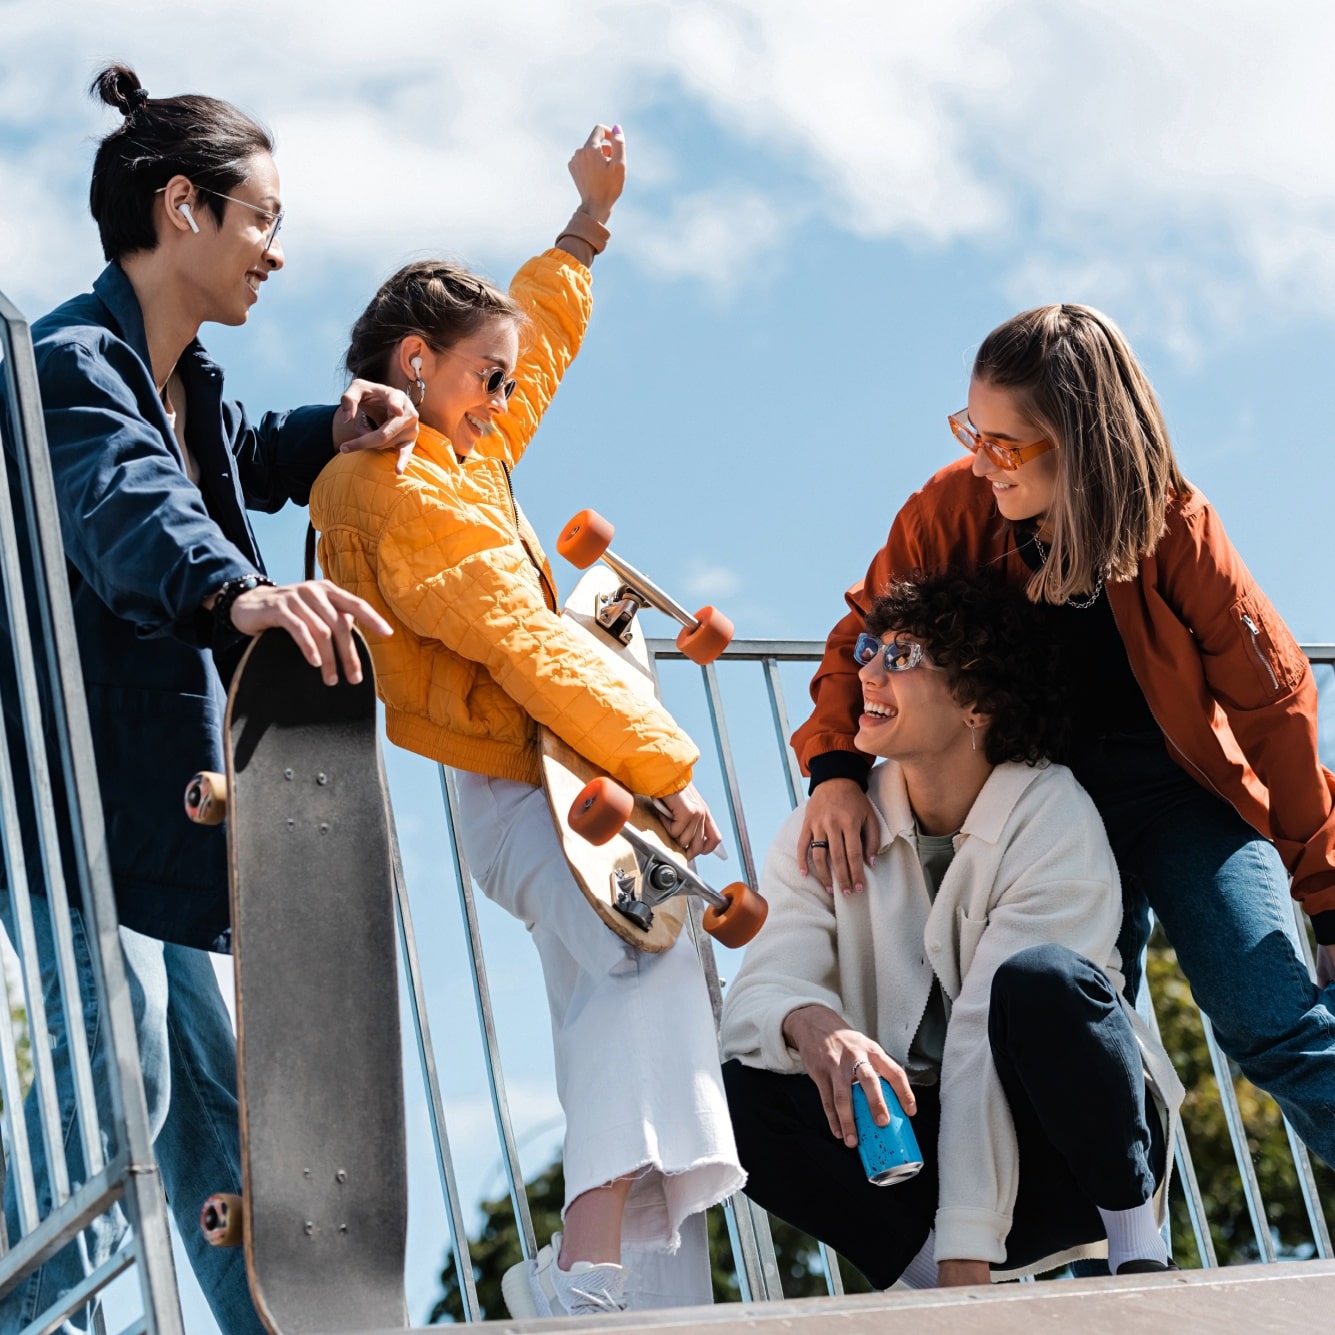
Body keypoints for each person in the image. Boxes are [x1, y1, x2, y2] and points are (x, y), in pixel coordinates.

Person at [0, 65, 415, 1335]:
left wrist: (324, 435)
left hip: (143, 825)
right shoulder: (67, 365)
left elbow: (219, 463)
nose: (276, 252)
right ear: (182, 207)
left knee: (216, 1108)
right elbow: (127, 501)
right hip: (68, 816)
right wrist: (237, 594)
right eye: (262, 220)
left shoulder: (189, 388)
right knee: (112, 1072)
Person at [308, 124, 743, 1318]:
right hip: (526, 784)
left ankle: (638, 1291)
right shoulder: (397, 488)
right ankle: (584, 1275)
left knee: (649, 973)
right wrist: (661, 764)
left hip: (550, 773)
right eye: (483, 381)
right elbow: (524, 639)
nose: (506, 401)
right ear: (414, 364)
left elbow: (534, 349)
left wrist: (587, 223)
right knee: (637, 958)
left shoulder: (457, 452)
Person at [792, 302, 1335, 1168]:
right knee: (1067, 1039)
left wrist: (1327, 893)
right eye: (972, 428)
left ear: (1081, 442)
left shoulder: (1176, 528)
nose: (979, 459)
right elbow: (860, 633)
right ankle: (1115, 1271)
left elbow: (1275, 706)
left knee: (1269, 1014)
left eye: (1005, 444)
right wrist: (835, 770)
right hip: (1044, 805)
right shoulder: (947, 509)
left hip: (1178, 794)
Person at [722, 571, 1183, 1288]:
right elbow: (762, 982)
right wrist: (810, 1021)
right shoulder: (827, 823)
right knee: (739, 1082)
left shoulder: (1050, 813)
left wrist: (964, 1254)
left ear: (977, 702)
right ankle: (920, 1284)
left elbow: (977, 1036)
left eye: (899, 658)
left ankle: (1135, 1248)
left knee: (1042, 983)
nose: (865, 668)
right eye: (869, 649)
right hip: (919, 1160)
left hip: (1066, 1169)